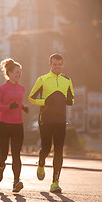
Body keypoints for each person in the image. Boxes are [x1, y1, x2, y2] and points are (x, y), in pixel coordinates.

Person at [28, 53, 74, 193]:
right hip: (46, 120)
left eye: (59, 64)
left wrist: (69, 101)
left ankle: (55, 183)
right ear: (50, 65)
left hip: (60, 120)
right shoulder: (42, 79)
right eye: (54, 64)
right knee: (46, 149)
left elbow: (71, 98)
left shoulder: (67, 80)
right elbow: (31, 98)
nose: (57, 66)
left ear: (63, 65)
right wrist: (44, 102)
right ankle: (41, 162)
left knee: (59, 151)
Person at [0, 58, 28, 193]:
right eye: (17, 72)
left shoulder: (21, 88)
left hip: (18, 125)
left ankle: (16, 181)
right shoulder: (2, 89)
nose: (19, 75)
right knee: (3, 152)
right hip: (4, 125)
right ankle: (2, 166)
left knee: (16, 154)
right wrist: (9, 107)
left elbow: (18, 102)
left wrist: (23, 107)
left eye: (20, 72)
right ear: (9, 73)